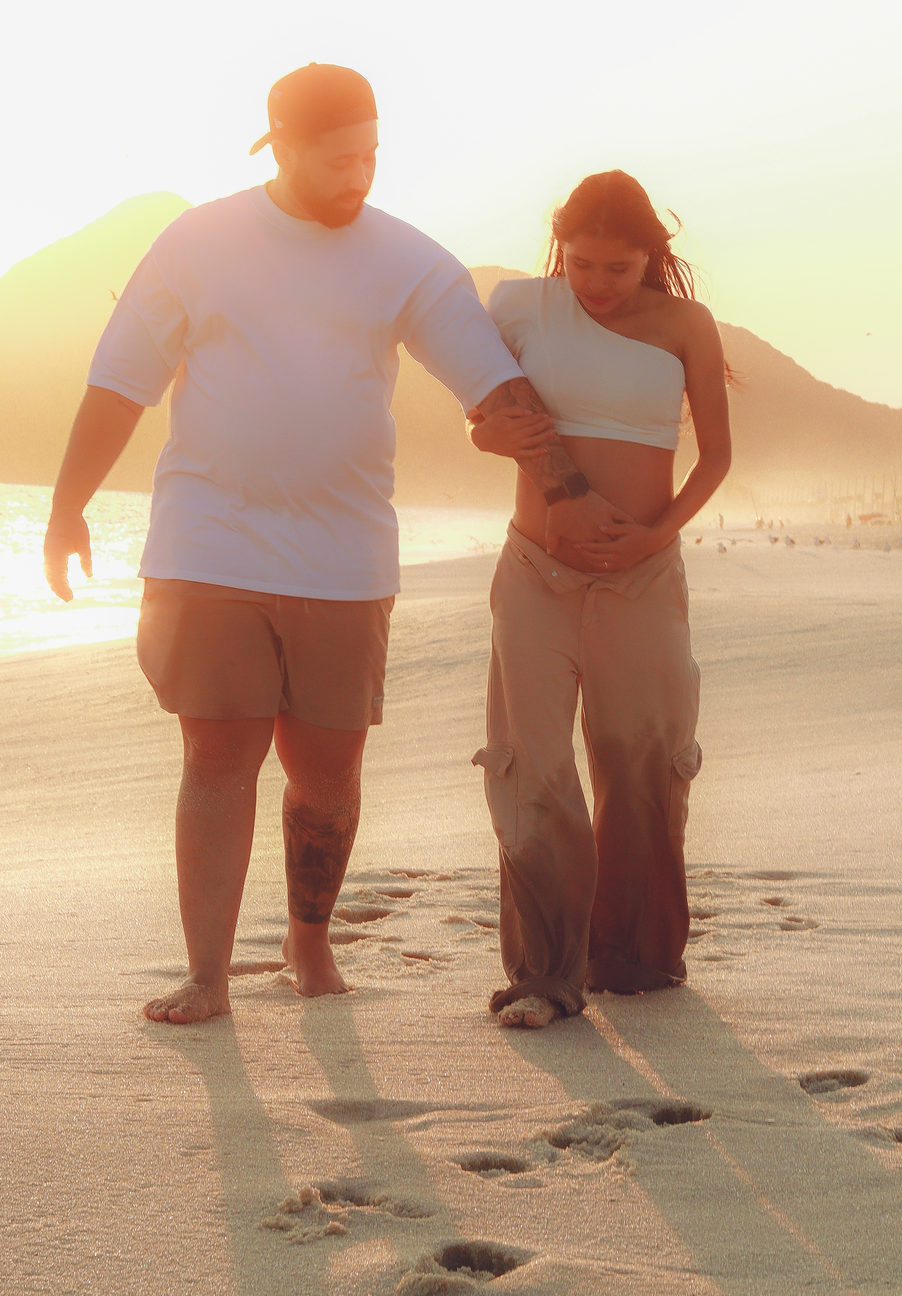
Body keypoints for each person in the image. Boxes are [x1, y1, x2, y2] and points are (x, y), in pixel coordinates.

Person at [42, 64, 623, 1025]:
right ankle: (208, 976)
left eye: (373, 157)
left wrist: (573, 494)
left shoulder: (409, 261)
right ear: (279, 137)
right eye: (340, 158)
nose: (360, 176)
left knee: (327, 775)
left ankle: (307, 946)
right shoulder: (200, 242)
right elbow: (120, 382)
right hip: (207, 549)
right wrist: (67, 510)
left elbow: (493, 388)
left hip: (344, 560)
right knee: (216, 760)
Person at [467, 170, 731, 1029]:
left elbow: (717, 460)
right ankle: (545, 975)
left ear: (652, 257)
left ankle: (633, 957)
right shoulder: (521, 308)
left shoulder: (687, 326)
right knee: (532, 763)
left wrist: (658, 536)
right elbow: (484, 418)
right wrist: (485, 435)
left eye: (618, 269)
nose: (597, 285)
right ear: (560, 246)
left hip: (644, 578)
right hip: (534, 573)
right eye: (582, 264)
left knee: (642, 761)